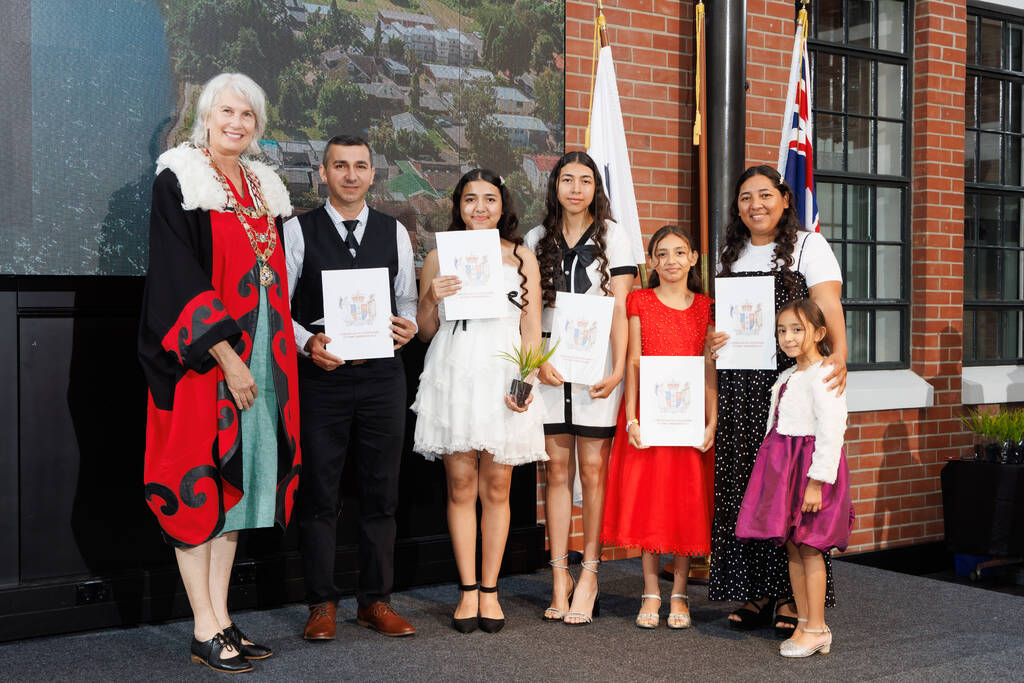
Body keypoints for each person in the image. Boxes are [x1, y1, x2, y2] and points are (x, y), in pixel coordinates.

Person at [139, 72, 300, 674]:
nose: (237, 123)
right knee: (201, 483)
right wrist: (227, 357)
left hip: (264, 355)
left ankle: (224, 619)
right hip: (201, 361)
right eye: (227, 112)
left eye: (248, 116)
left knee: (240, 489)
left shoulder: (264, 185)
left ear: (258, 126)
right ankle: (203, 627)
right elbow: (177, 277)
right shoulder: (179, 178)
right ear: (206, 115)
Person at [283, 136, 417, 640]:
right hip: (324, 377)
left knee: (382, 493)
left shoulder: (395, 231)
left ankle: (375, 602)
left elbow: (404, 300)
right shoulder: (297, 230)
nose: (351, 175)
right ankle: (322, 604)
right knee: (321, 492)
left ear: (372, 174)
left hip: (383, 378)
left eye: (360, 166)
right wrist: (306, 342)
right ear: (323, 172)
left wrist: (405, 327)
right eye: (340, 166)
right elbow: (280, 304)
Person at [708, 165, 847, 637]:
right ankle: (757, 588)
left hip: (794, 386)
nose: (756, 205)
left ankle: (794, 596)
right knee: (748, 489)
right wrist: (714, 343)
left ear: (785, 199)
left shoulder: (811, 246)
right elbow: (726, 320)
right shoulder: (731, 252)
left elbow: (828, 311)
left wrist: (836, 363)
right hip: (740, 388)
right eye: (745, 198)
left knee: (789, 491)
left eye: (765, 195)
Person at [412, 169, 547, 634]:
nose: (480, 208)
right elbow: (425, 329)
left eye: (490, 199)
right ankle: (467, 590)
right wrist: (431, 296)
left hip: (503, 371)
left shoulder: (521, 256)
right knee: (461, 485)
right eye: (471, 200)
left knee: (498, 487)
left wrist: (525, 379)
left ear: (502, 205)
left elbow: (531, 327)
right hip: (453, 369)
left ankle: (491, 590)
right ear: (459, 206)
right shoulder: (437, 256)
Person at [524, 151, 636, 625]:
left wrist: (618, 373)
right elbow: (527, 316)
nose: (575, 188)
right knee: (554, 473)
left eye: (585, 181)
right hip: (549, 368)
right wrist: (535, 362)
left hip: (597, 370)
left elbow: (621, 310)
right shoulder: (535, 238)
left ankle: (589, 572)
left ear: (596, 188)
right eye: (566, 179)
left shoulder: (615, 235)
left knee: (592, 471)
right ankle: (558, 575)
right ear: (554, 186)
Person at [601, 225, 717, 630]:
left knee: (684, 503)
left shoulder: (705, 307)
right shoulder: (640, 300)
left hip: (688, 421)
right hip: (648, 417)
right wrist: (632, 416)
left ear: (693, 259)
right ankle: (651, 591)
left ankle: (680, 592)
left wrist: (712, 419)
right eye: (662, 253)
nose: (670, 260)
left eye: (679, 252)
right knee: (650, 502)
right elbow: (633, 361)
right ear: (651, 261)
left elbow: (707, 369)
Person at [736, 298, 854, 657]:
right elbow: (777, 428)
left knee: (810, 546)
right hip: (785, 471)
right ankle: (805, 621)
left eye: (797, 329)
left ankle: (817, 626)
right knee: (793, 546)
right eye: (782, 330)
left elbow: (832, 430)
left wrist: (816, 482)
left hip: (810, 472)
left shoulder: (825, 374)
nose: (788, 337)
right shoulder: (788, 376)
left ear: (819, 333)